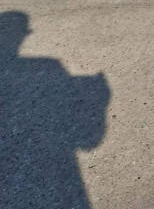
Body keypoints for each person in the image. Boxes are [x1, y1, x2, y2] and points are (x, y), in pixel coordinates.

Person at [0, 11, 109, 209]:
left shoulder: (46, 66)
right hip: (55, 180)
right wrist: (100, 99)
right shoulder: (49, 66)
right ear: (24, 35)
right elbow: (89, 140)